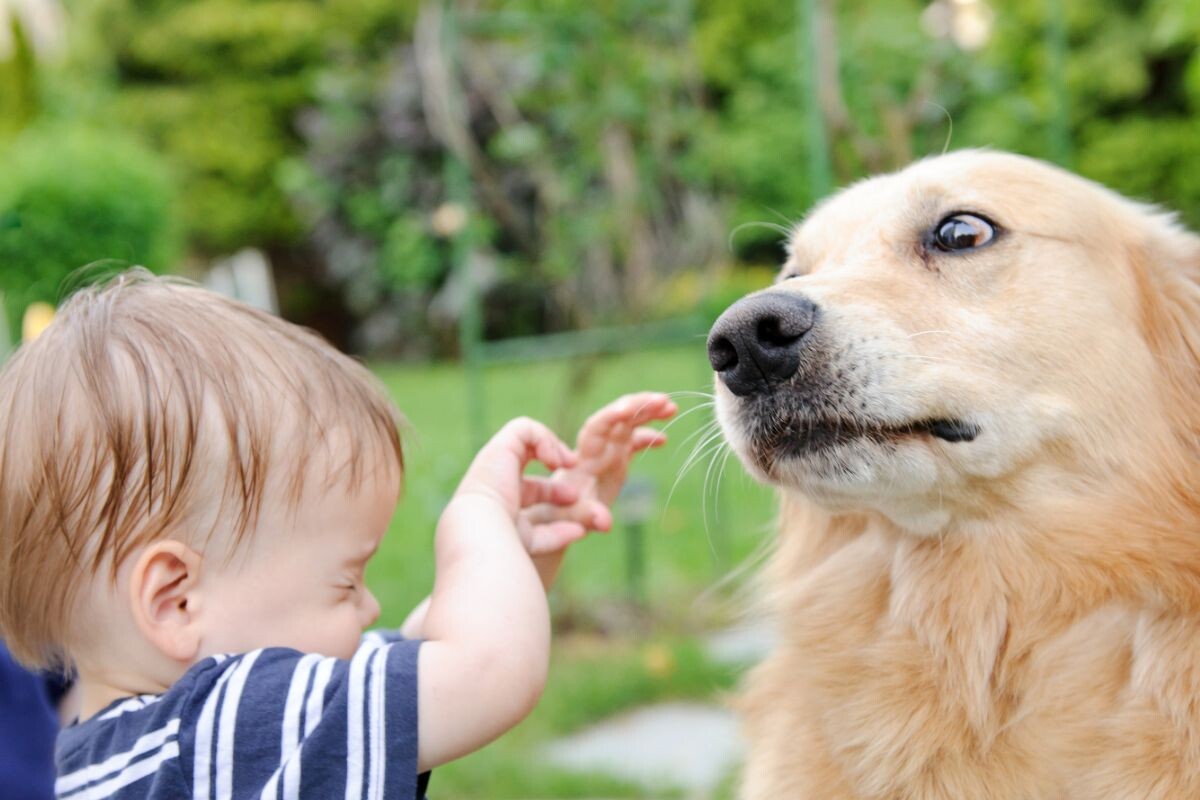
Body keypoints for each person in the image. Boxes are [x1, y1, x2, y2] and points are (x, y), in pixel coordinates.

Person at [0, 270, 676, 799]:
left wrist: (519, 554)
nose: (370, 606)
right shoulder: (219, 730)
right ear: (175, 599)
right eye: (346, 580)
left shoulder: (103, 755)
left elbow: (421, 654)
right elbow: (485, 670)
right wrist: (478, 521)